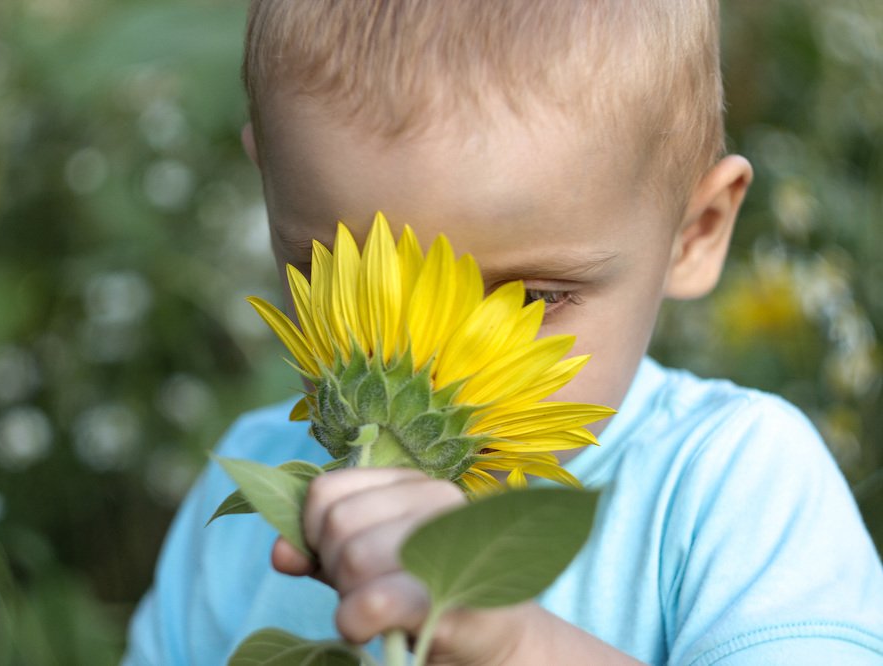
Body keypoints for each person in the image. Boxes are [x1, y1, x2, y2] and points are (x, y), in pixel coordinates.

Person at [124, 1, 883, 663]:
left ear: (696, 232)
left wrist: (519, 649)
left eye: (534, 298)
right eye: (345, 271)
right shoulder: (245, 500)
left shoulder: (735, 486)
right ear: (270, 190)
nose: (428, 359)